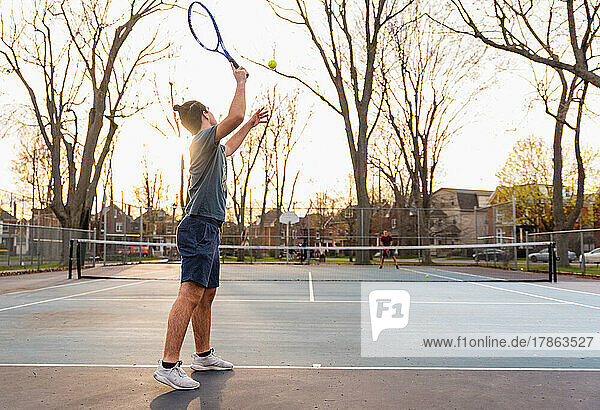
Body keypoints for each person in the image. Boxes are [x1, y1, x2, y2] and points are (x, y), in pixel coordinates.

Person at [153, 64, 268, 390]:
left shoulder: (214, 147)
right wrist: (240, 81)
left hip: (209, 229)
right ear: (205, 115)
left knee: (206, 295)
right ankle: (168, 365)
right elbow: (232, 118)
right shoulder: (202, 139)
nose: (218, 116)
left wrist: (249, 125)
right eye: (213, 112)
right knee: (190, 294)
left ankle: (202, 355)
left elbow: (230, 144)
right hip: (198, 227)